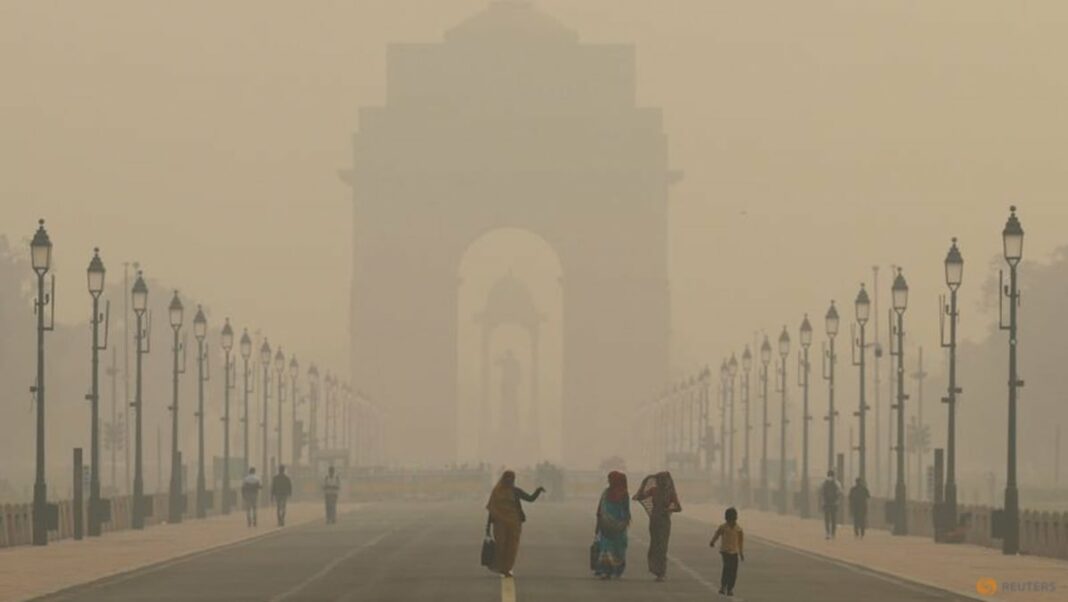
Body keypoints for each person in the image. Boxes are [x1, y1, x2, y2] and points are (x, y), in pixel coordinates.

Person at [485, 470, 545, 577]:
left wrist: (538, 491)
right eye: (507, 478)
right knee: (501, 546)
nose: (509, 481)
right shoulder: (496, 492)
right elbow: (492, 510)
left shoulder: (515, 491)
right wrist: (487, 527)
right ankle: (501, 567)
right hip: (500, 525)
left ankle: (506, 569)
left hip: (514, 524)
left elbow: (530, 498)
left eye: (511, 478)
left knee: (512, 547)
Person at [633, 471, 681, 581]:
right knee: (655, 544)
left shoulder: (671, 493)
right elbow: (638, 497)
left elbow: (678, 508)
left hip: (664, 521)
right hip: (655, 520)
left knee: (662, 547)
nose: (663, 482)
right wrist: (643, 485)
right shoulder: (654, 490)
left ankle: (661, 572)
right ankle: (656, 570)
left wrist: (669, 509)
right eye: (661, 480)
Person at [594, 471, 631, 579]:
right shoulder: (606, 493)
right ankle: (606, 571)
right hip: (606, 526)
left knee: (619, 549)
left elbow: (626, 510)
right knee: (606, 548)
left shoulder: (624, 494)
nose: (608, 481)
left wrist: (624, 522)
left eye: (610, 479)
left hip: (619, 526)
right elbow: (600, 510)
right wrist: (597, 526)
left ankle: (616, 570)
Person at [710, 507, 745, 597]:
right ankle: (723, 586)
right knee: (727, 569)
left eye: (732, 520)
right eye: (729, 520)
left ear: (735, 519)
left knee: (733, 571)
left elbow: (740, 542)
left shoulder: (739, 529)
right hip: (725, 552)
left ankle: (730, 588)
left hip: (734, 552)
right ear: (726, 519)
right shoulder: (723, 527)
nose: (730, 522)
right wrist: (713, 541)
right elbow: (717, 534)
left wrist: (741, 553)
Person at [821, 470, 843, 540]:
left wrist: (823, 501)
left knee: (827, 519)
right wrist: (837, 501)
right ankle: (833, 533)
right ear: (834, 475)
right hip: (834, 503)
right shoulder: (837, 483)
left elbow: (821, 492)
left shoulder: (824, 483)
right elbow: (840, 492)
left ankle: (827, 533)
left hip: (826, 503)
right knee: (833, 519)